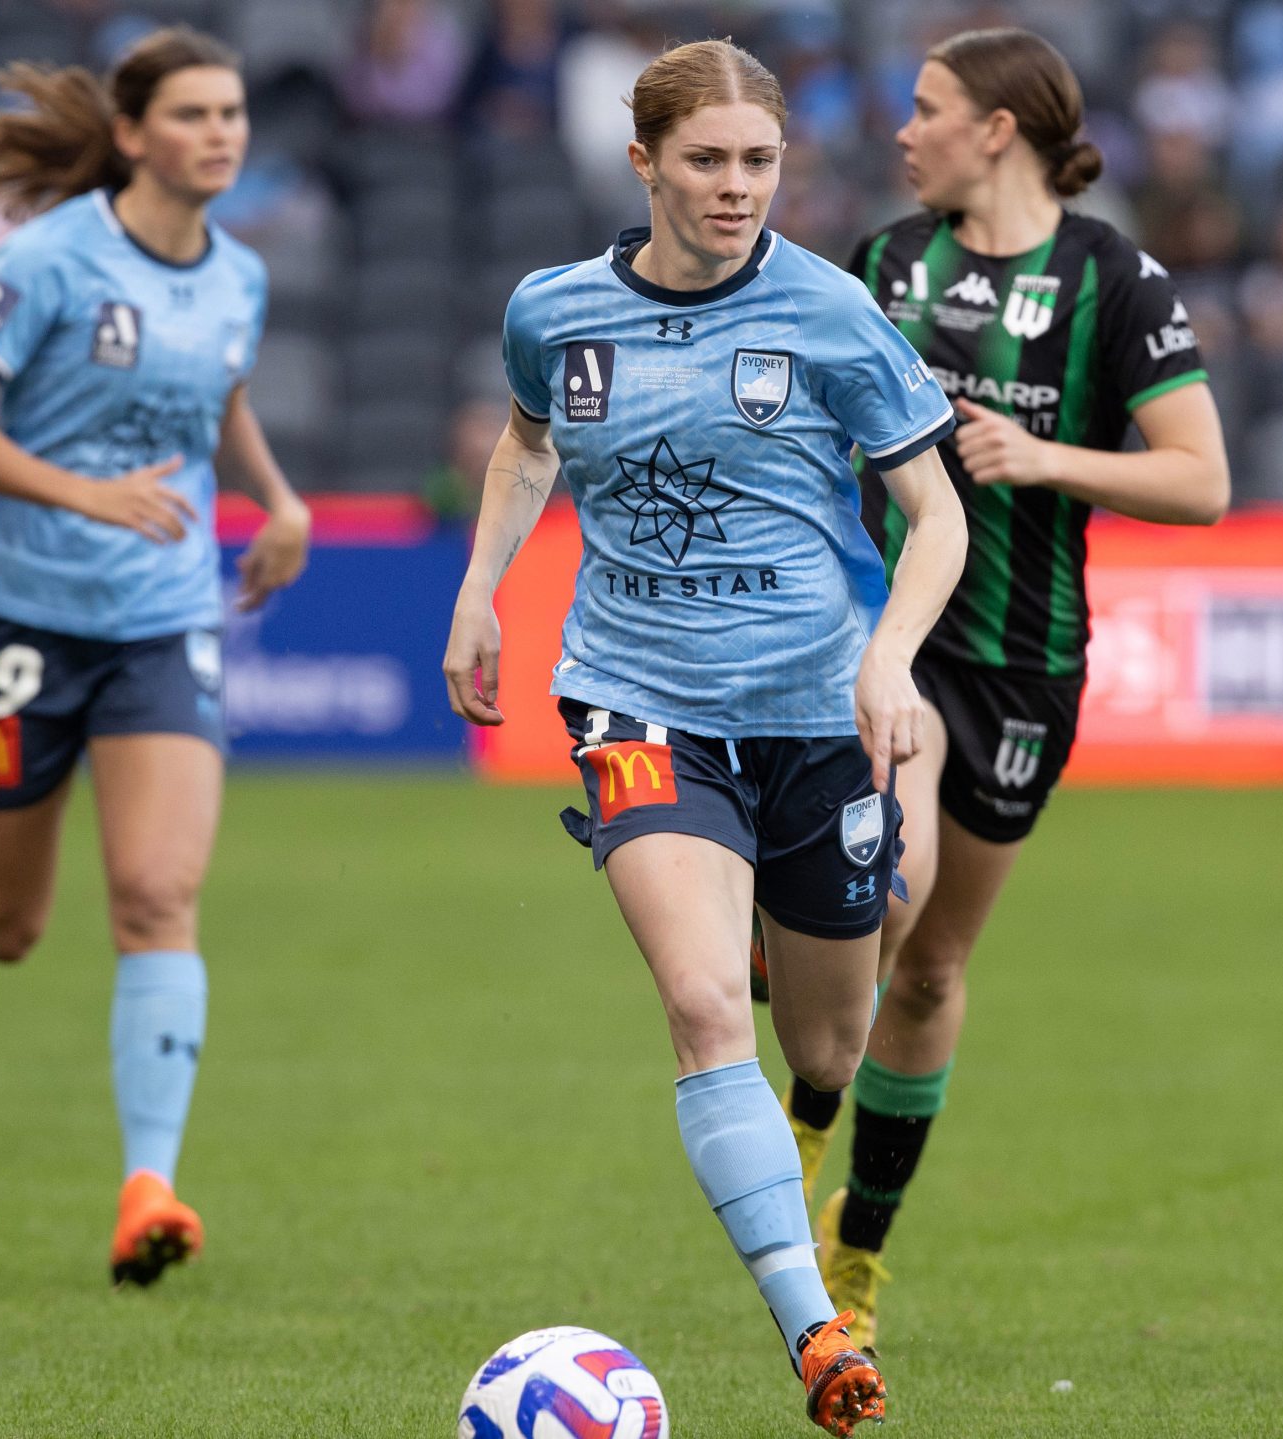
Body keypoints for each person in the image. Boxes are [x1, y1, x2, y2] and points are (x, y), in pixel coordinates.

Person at [442, 39, 965, 1436]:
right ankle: (816, 1335)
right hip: (637, 701)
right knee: (697, 1009)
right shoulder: (554, 311)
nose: (737, 188)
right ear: (644, 166)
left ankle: (783, 930)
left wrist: (890, 658)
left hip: (815, 719)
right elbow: (526, 441)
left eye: (759, 161)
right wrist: (480, 590)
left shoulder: (832, 313)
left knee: (832, 1049)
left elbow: (941, 515)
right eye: (707, 161)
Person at [787, 27, 1230, 1353]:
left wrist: (1043, 459)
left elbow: (1201, 480)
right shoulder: (882, 263)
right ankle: (805, 1082)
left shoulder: (1115, 280)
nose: (903, 132)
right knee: (885, 887)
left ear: (999, 128)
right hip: (885, 637)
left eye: (927, 111)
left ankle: (856, 1249)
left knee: (933, 969)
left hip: (1025, 664)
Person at [0, 27, 311, 1292]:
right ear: (131, 135)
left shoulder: (237, 273)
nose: (221, 133)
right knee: (17, 923)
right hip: (14, 617)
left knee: (155, 897)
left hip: (161, 617)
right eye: (191, 114)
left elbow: (217, 395)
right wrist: (81, 491)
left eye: (232, 112)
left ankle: (149, 1184)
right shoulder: (47, 261)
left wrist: (277, 501)